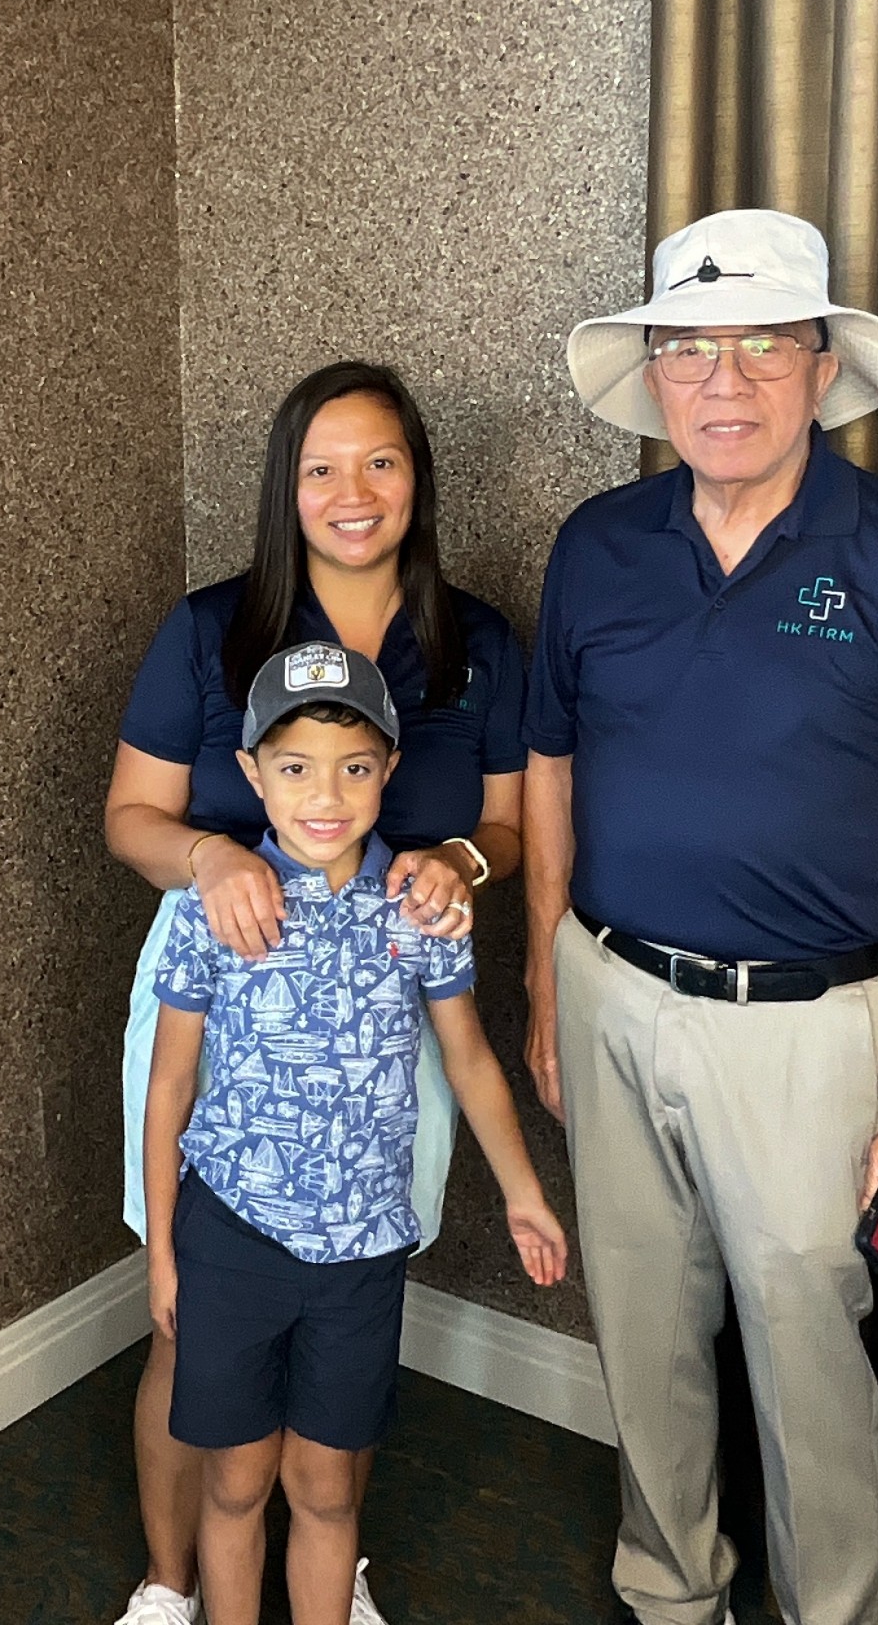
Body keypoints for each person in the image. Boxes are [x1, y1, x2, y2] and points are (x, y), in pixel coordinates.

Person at [522, 209, 878, 1625]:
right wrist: (550, 983)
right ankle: (671, 1593)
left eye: (761, 345)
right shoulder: (598, 546)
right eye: (690, 348)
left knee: (811, 1372)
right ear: (655, 374)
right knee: (644, 1344)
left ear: (819, 367)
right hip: (610, 993)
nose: (723, 381)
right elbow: (550, 765)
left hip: (809, 1033)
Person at [105, 362, 528, 1625]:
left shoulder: (477, 641)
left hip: (389, 1010)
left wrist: (460, 863)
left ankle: (330, 1564)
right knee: (195, 1320)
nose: (355, 491)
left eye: (381, 461)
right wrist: (210, 854)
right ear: (285, 486)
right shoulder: (210, 627)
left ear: (418, 479)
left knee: (350, 1291)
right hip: (219, 997)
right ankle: (172, 1580)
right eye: (322, 466)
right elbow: (130, 815)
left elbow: (509, 825)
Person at [143, 644, 568, 1625]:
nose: (325, 795)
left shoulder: (420, 909)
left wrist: (524, 1192)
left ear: (390, 767)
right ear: (253, 773)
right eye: (295, 766)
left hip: (362, 1251)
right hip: (232, 1239)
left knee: (329, 1489)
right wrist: (163, 1251)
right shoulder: (212, 910)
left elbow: (468, 1060)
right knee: (235, 1483)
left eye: (354, 766)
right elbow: (169, 1085)